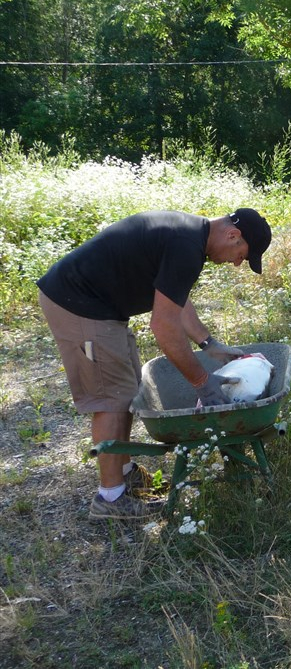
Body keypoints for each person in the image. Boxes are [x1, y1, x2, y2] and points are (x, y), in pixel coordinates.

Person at [36, 208, 272, 520]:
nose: (238, 262)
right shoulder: (186, 245)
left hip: (100, 307)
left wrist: (208, 344)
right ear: (233, 235)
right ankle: (109, 498)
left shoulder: (189, 235)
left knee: (126, 391)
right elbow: (163, 326)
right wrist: (202, 383)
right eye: (242, 255)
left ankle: (124, 472)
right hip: (79, 304)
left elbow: (176, 300)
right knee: (110, 399)